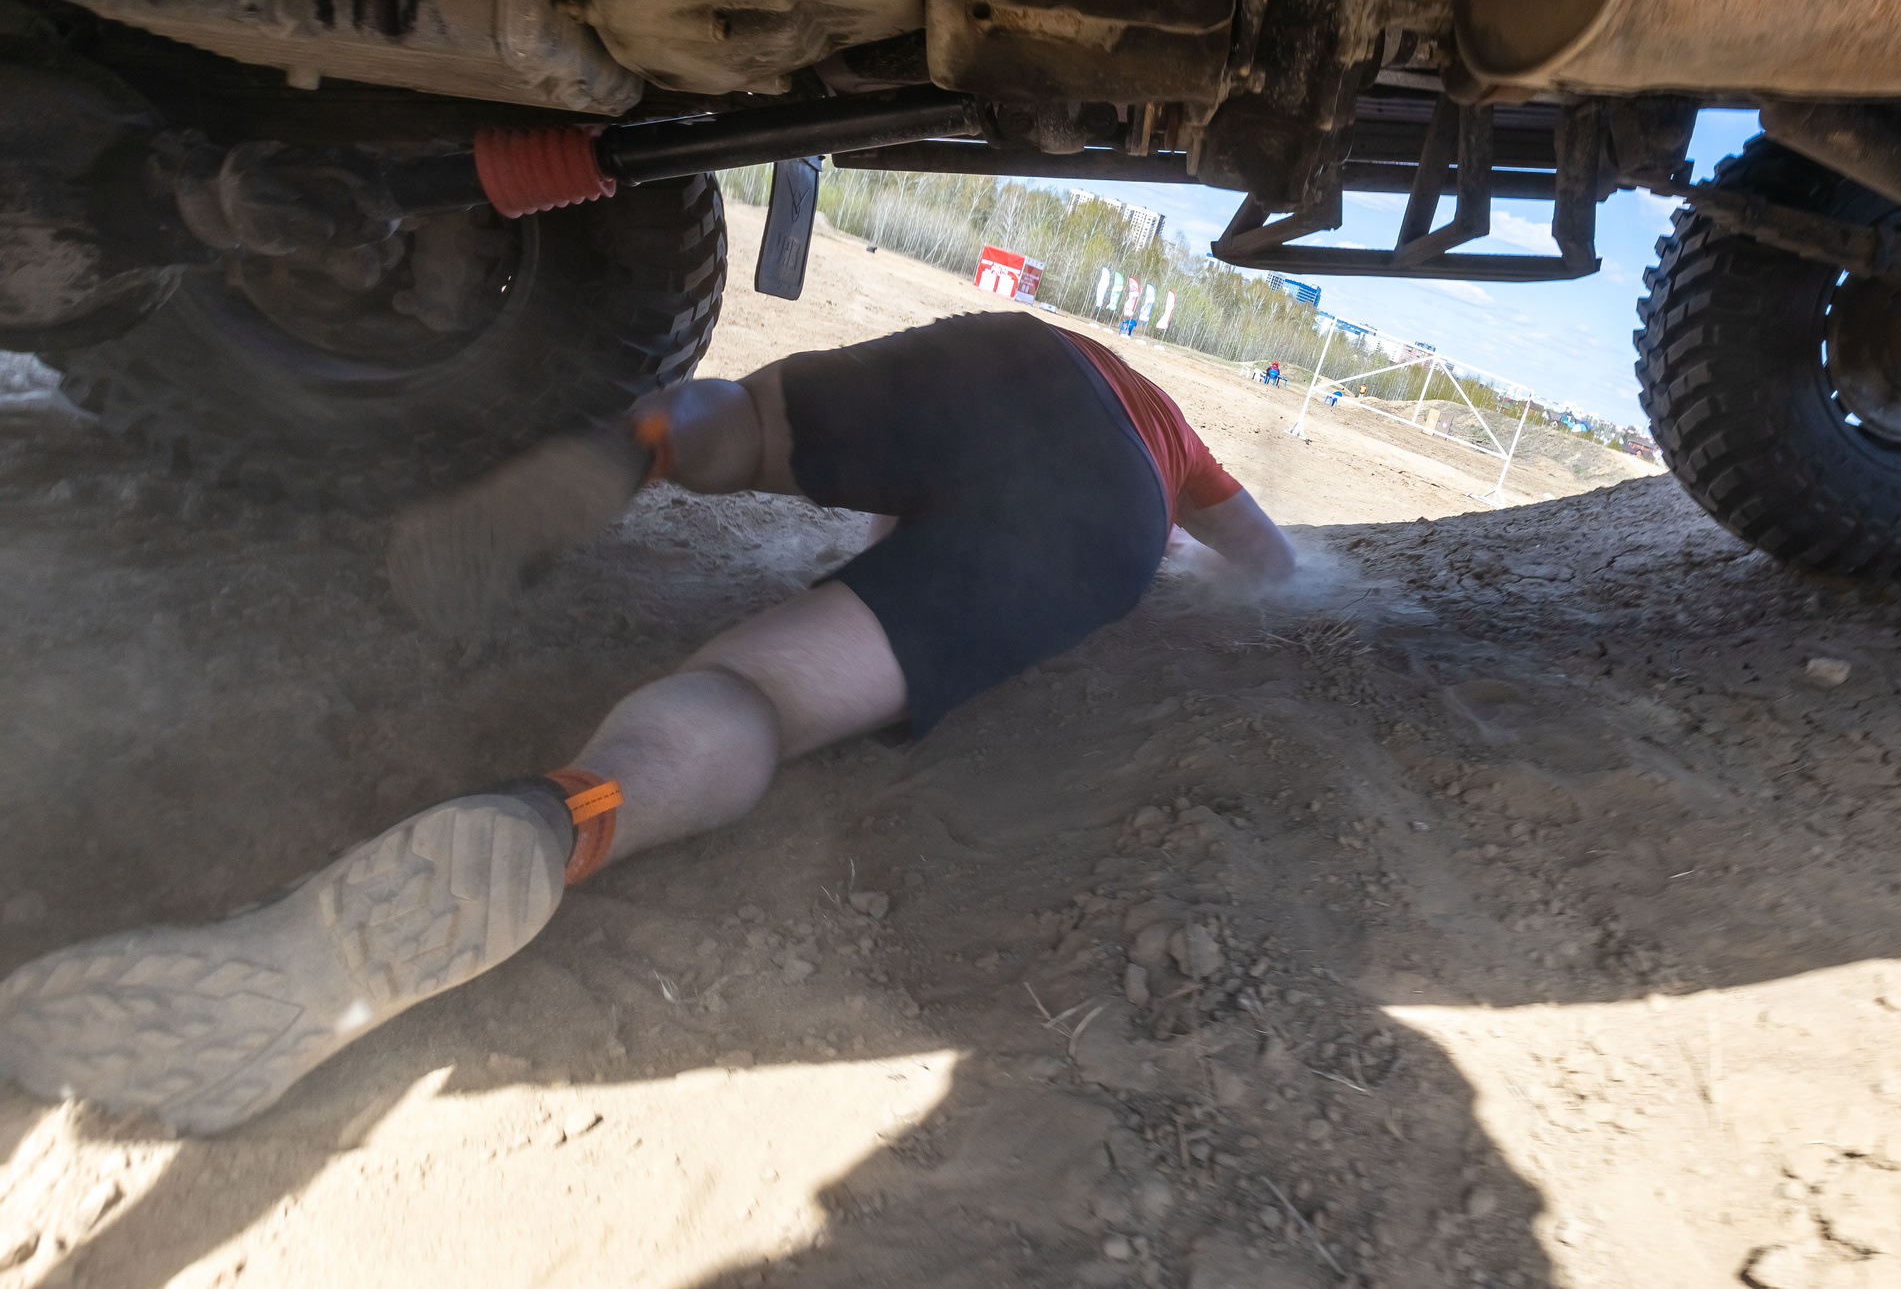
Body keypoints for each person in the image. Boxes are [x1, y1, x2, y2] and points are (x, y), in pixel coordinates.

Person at [0, 311, 1294, 1136]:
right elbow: (1271, 565)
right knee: (762, 697)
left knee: (751, 424)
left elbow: (928, 476)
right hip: (1109, 513)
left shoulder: (1069, 345)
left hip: (1002, 360)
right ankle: (562, 816)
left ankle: (648, 444)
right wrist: (1194, 553)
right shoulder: (1173, 444)